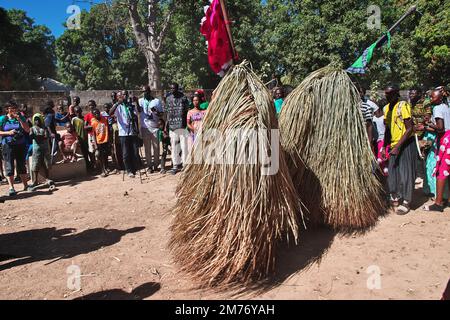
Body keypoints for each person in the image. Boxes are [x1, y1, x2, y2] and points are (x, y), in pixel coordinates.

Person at [382, 85, 416, 215]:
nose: (387, 96)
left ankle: (407, 201)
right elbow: (387, 129)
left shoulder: (403, 106)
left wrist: (398, 146)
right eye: (386, 94)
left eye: (389, 94)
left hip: (406, 144)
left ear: (396, 94)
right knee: (393, 172)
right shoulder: (386, 109)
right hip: (393, 145)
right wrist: (385, 147)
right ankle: (395, 196)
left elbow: (409, 128)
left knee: (406, 173)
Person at [422, 90, 450, 212]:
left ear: (439, 98)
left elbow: (440, 128)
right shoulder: (446, 107)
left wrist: (428, 123)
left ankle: (438, 204)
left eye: (433, 97)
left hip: (445, 141)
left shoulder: (437, 108)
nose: (431, 99)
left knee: (441, 171)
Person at [0, 101, 31, 196]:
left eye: (14, 108)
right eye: (11, 108)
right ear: (7, 109)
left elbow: (27, 130)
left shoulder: (20, 117)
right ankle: (11, 187)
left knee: (21, 164)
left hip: (20, 144)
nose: (13, 110)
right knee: (9, 165)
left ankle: (26, 185)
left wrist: (20, 119)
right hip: (8, 145)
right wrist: (8, 133)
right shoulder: (2, 119)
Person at [109, 91, 141, 178]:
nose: (124, 96)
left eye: (125, 95)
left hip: (132, 132)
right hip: (123, 133)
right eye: (122, 95)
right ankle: (129, 170)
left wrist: (136, 102)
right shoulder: (118, 106)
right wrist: (117, 103)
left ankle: (135, 169)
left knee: (134, 152)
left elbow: (138, 113)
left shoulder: (130, 105)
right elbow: (110, 113)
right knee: (126, 153)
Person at [165, 82, 189, 175]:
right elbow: (167, 113)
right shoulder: (168, 98)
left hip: (182, 126)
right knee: (174, 147)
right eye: (171, 89)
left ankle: (185, 165)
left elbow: (187, 110)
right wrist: (166, 126)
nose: (172, 90)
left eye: (174, 88)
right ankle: (175, 165)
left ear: (177, 88)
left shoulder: (183, 98)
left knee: (184, 146)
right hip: (172, 126)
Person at [139, 86, 163, 173]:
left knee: (156, 148)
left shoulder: (156, 101)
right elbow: (138, 111)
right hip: (145, 127)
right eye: (143, 92)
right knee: (147, 148)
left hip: (155, 127)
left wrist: (156, 112)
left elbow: (161, 114)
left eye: (145, 91)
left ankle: (156, 165)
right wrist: (135, 102)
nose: (144, 93)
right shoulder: (140, 101)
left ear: (149, 92)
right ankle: (149, 166)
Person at [28, 113, 54, 191]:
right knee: (36, 164)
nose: (37, 121)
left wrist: (37, 136)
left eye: (38, 119)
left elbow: (46, 136)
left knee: (46, 163)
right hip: (36, 149)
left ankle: (47, 178)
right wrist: (39, 136)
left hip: (45, 148)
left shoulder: (44, 128)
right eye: (35, 120)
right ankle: (35, 181)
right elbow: (31, 136)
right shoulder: (32, 128)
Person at [72, 106, 93, 173]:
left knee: (90, 153)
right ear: (75, 112)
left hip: (87, 138)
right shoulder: (74, 119)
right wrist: (76, 138)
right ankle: (88, 167)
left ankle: (92, 166)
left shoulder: (85, 118)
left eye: (79, 111)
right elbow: (73, 129)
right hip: (80, 139)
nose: (78, 113)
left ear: (81, 111)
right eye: (76, 112)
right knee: (85, 154)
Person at [91, 108, 110, 178]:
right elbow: (93, 134)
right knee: (100, 156)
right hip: (99, 142)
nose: (97, 114)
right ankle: (103, 170)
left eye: (98, 113)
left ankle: (107, 167)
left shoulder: (104, 119)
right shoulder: (93, 122)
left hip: (106, 140)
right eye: (95, 114)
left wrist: (109, 140)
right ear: (93, 115)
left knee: (106, 155)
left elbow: (108, 129)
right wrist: (95, 144)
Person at [373, 106, 389, 176]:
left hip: (381, 140)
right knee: (382, 158)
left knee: (380, 158)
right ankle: (384, 172)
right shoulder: (376, 118)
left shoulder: (375, 118)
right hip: (380, 140)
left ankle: (382, 171)